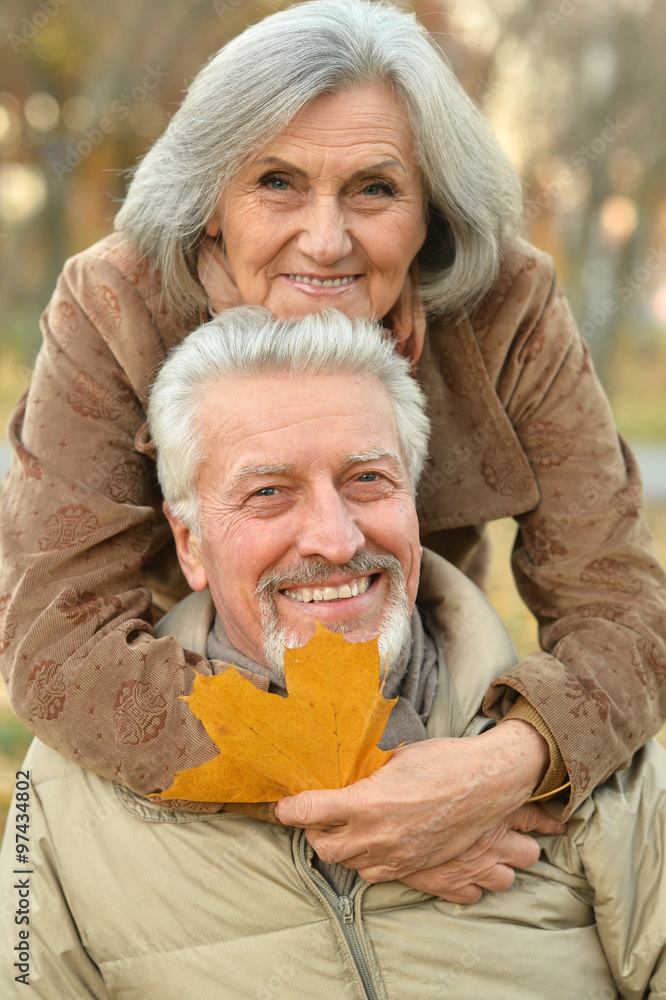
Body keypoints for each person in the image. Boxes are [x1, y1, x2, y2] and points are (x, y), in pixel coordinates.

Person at [1, 0, 665, 892]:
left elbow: (624, 610)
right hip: (190, 708)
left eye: (375, 188)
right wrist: (374, 795)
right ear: (209, 206)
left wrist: (496, 769)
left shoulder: (508, 304)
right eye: (275, 182)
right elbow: (56, 644)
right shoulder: (111, 305)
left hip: (421, 676)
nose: (325, 239)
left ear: (431, 210)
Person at [1, 309, 664, 1000]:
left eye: (368, 480)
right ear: (191, 543)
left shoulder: (595, 761)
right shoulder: (59, 798)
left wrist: (512, 765)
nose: (336, 539)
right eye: (268, 493)